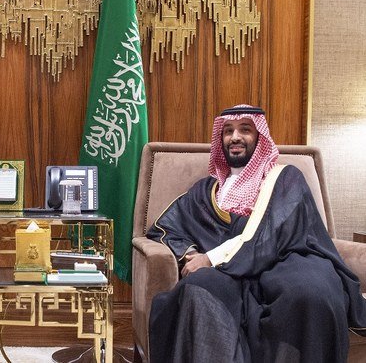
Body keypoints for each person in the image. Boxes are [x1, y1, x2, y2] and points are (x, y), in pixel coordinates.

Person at [146, 105, 366, 363]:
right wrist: (193, 254)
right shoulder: (205, 192)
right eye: (228, 131)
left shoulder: (286, 178)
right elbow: (166, 228)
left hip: (287, 260)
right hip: (227, 274)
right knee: (198, 289)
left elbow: (274, 231)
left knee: (311, 293)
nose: (235, 137)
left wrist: (211, 258)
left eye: (245, 130)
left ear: (260, 138)